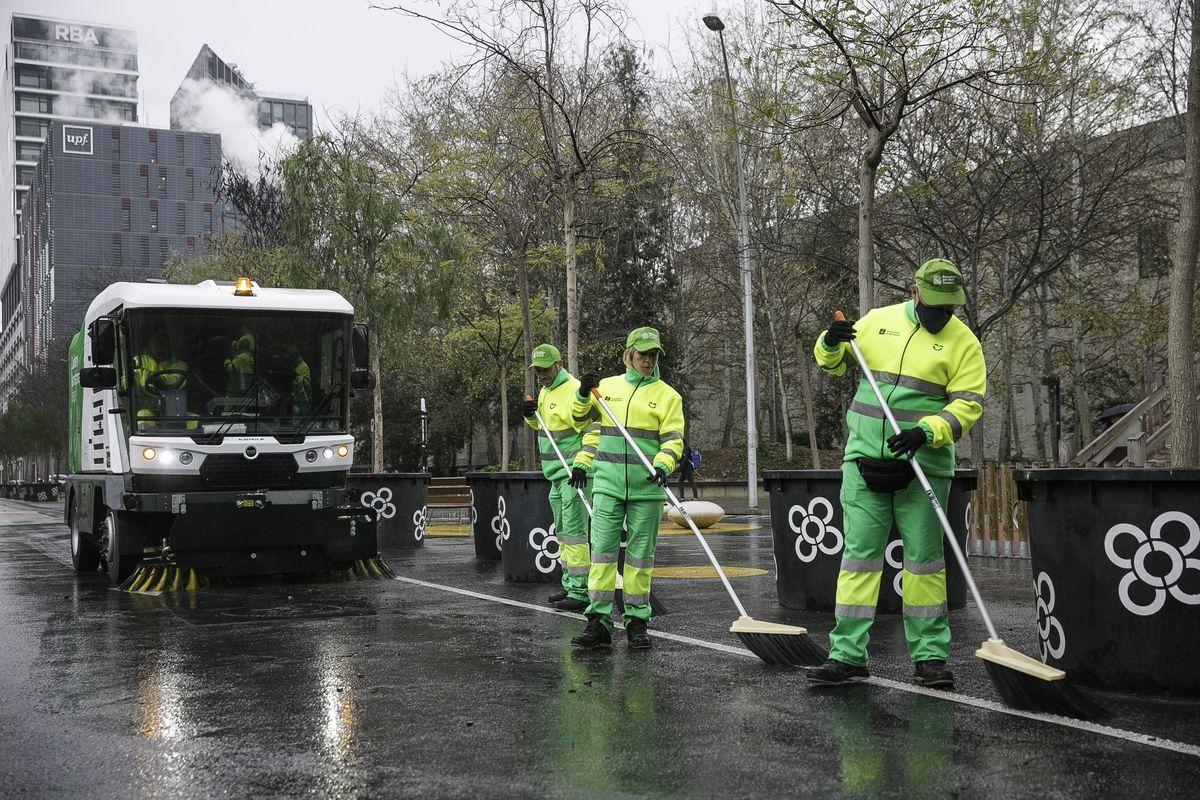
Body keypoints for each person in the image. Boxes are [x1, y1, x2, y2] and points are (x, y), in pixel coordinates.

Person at [807, 259, 985, 689]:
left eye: (950, 308)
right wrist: (830, 343)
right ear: (916, 291)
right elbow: (831, 364)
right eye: (936, 304)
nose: (942, 315)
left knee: (924, 566)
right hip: (864, 461)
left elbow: (969, 404)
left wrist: (927, 432)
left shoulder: (965, 344)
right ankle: (847, 656)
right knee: (858, 562)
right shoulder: (877, 322)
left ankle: (930, 658)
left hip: (923, 466)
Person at [569, 326, 685, 651]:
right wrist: (581, 396)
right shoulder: (606, 388)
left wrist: (664, 463)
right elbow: (585, 425)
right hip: (607, 484)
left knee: (639, 559)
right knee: (602, 555)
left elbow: (673, 439)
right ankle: (598, 622)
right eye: (643, 354)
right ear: (629, 353)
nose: (648, 361)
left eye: (654, 355)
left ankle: (637, 623)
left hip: (647, 489)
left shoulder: (668, 395)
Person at [522, 343, 592, 612]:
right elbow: (544, 427)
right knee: (563, 533)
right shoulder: (545, 391)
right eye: (538, 371)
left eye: (545, 369)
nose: (541, 375)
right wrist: (530, 418)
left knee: (574, 532)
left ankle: (581, 589)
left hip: (572, 474)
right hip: (554, 474)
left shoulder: (574, 390)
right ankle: (570, 582)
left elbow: (589, 430)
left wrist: (582, 464)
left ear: (559, 364)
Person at [132, 330, 189, 428]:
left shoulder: (179, 364)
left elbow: (176, 380)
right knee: (143, 416)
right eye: (158, 343)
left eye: (166, 344)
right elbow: (125, 381)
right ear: (150, 344)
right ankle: (145, 439)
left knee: (195, 419)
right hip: (145, 407)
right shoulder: (138, 361)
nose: (162, 348)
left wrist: (159, 380)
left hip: (174, 410)